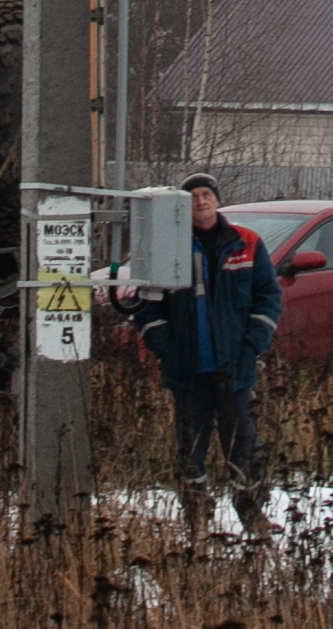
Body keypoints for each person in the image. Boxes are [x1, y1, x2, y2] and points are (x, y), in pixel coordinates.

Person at [121, 172, 283, 533]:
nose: (200, 202)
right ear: (182, 205)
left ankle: (252, 514)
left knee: (242, 446)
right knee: (190, 448)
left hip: (233, 369)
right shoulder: (166, 247)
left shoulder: (247, 244)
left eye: (206, 194)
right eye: (192, 197)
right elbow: (145, 308)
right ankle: (195, 517)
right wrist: (167, 349)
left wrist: (252, 345)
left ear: (217, 199)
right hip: (187, 371)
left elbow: (269, 298)